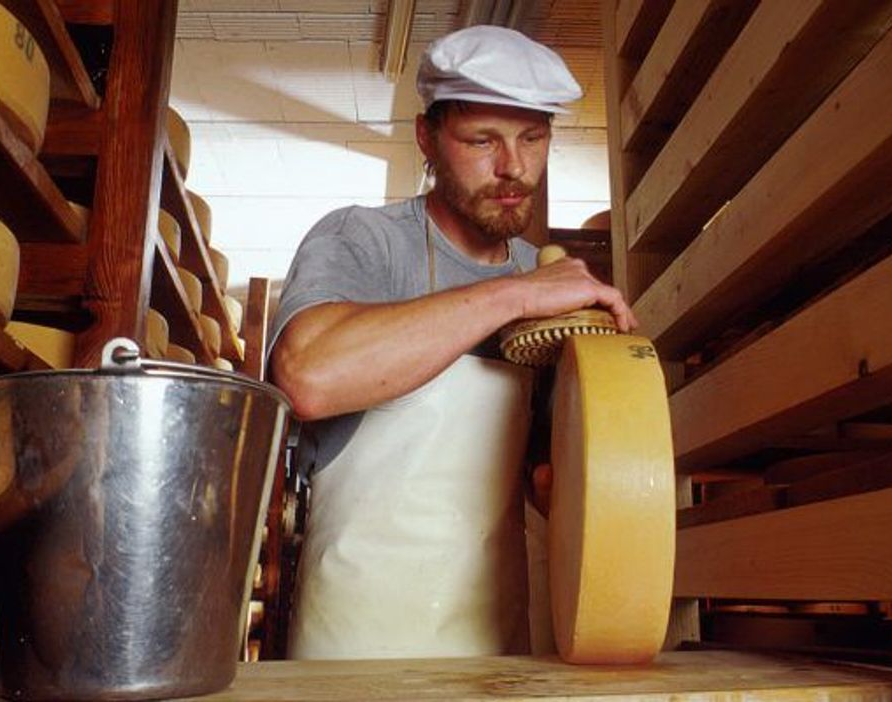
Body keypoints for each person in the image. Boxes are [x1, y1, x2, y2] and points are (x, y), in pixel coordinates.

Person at [267, 25, 636, 660]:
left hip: (502, 643)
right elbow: (308, 376)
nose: (512, 168)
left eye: (532, 138)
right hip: (358, 644)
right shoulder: (364, 240)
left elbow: (549, 485)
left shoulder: (550, 283)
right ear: (427, 140)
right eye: (481, 140)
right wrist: (513, 297)